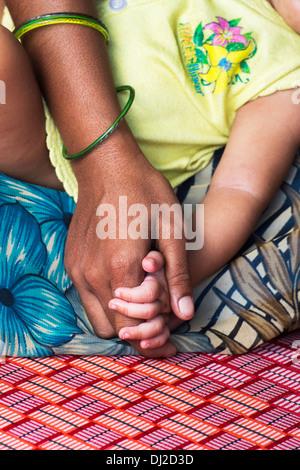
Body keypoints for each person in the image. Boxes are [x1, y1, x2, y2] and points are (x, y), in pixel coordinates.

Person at [1, 0, 300, 357]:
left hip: (46, 141)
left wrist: (171, 275)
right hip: (37, 41)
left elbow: (238, 190)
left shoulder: (288, 77)